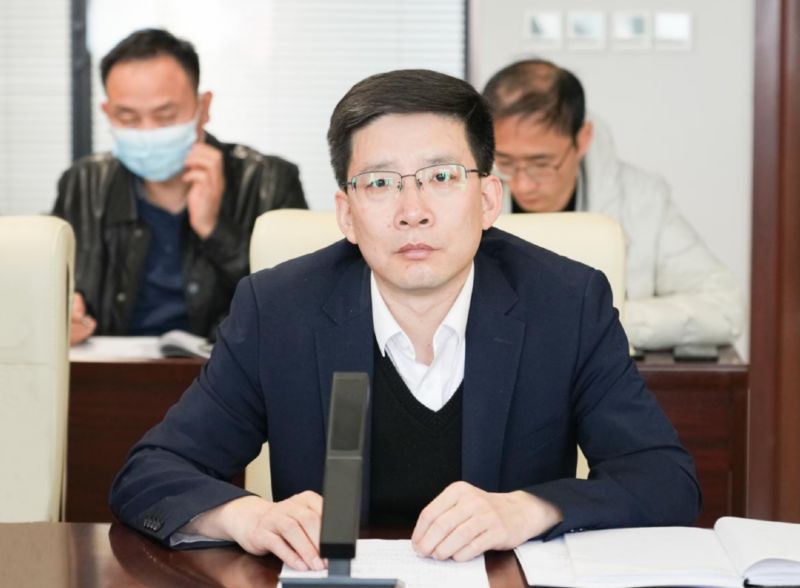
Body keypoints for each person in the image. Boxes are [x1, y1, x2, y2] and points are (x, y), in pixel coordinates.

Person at [110, 69, 701, 571]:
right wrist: (248, 517)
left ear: (488, 199)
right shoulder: (279, 309)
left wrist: (528, 509)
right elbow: (149, 474)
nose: (412, 212)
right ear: (346, 213)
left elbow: (664, 479)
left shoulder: (565, 303)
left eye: (441, 178)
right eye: (379, 183)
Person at [53, 29, 307, 344]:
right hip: (113, 369)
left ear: (203, 107)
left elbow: (298, 305)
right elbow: (54, 290)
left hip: (228, 371)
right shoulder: (83, 183)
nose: (147, 132)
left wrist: (216, 230)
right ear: (108, 113)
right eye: (128, 118)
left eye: (165, 116)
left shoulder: (268, 181)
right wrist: (66, 316)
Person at [483, 59, 742, 351]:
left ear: (582, 139)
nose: (522, 184)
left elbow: (725, 308)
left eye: (541, 163)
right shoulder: (467, 195)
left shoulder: (642, 200)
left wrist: (599, 319)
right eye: (505, 162)